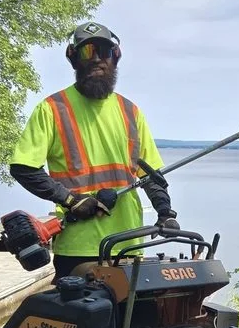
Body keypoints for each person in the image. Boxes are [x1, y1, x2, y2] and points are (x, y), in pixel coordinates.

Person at [9, 21, 179, 279]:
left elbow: (150, 175)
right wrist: (70, 200)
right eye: (88, 52)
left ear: (116, 57)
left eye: (104, 51)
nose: (97, 59)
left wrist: (164, 212)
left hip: (129, 244)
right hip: (78, 248)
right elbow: (23, 167)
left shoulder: (131, 112)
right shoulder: (53, 109)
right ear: (73, 59)